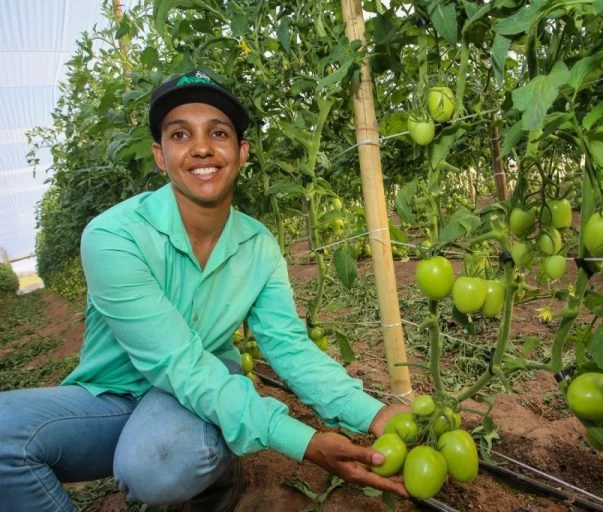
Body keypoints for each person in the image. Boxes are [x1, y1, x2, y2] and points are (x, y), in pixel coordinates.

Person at [0, 70, 410, 511]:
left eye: (218, 132)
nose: (201, 147)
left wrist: (373, 413)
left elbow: (288, 347)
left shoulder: (258, 246)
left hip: (202, 390)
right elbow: (177, 363)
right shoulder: (112, 236)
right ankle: (201, 456)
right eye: (180, 134)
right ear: (160, 155)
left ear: (241, 152)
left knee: (158, 466)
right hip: (114, 397)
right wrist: (305, 442)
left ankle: (215, 477)